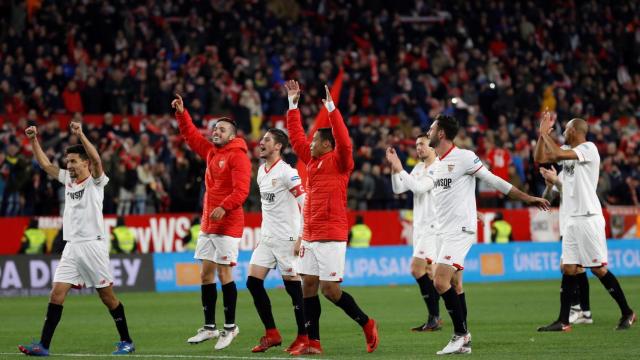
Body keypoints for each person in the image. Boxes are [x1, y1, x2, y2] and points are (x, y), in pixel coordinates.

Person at [425, 114, 550, 355]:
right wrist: (476, 211)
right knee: (454, 284)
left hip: (459, 231)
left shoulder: (464, 157)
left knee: (439, 281)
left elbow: (495, 181)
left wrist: (528, 198)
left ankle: (460, 335)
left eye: (431, 129)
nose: (427, 131)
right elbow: (450, 198)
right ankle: (464, 341)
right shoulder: (437, 165)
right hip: (443, 231)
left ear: (441, 133)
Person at [18, 122, 135, 356]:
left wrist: (81, 133)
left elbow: (98, 160)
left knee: (107, 297)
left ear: (85, 162)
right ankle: (43, 345)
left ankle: (127, 341)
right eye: (67, 161)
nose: (68, 165)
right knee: (56, 293)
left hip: (93, 245)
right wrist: (33, 140)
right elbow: (45, 164)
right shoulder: (68, 180)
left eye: (73, 161)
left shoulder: (96, 181)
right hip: (71, 247)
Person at [285, 80, 379, 355]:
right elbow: (295, 137)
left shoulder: (341, 162)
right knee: (308, 287)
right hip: (311, 233)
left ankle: (366, 322)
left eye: (315, 140)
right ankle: (313, 341)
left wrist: (331, 108)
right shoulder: (312, 161)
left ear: (327, 144)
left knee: (329, 289)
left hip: (332, 233)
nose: (309, 143)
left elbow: (345, 141)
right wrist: (293, 105)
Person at [534, 113, 636, 331]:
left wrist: (545, 134)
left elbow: (557, 151)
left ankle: (627, 312)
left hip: (588, 217)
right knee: (569, 268)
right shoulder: (568, 158)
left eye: (566, 129)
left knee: (598, 269)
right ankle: (563, 321)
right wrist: (541, 136)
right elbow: (542, 157)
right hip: (571, 219)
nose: (562, 132)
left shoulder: (589, 149)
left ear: (575, 131)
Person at [172, 94, 251, 350]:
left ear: (232, 136)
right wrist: (182, 114)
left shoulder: (238, 155)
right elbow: (191, 137)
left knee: (223, 272)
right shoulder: (211, 152)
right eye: (215, 128)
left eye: (222, 129)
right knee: (205, 274)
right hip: (209, 223)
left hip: (227, 223)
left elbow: (242, 191)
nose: (216, 131)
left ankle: (230, 327)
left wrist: (223, 207)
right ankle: (209, 327)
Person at [247, 128, 308, 353]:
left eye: (267, 140)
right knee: (253, 283)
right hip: (267, 239)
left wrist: (302, 235)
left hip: (287, 239)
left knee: (293, 289)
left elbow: (306, 202)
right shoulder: (262, 171)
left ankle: (304, 337)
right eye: (262, 139)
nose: (261, 142)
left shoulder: (287, 172)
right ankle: (272, 333)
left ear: (278, 146)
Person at [386, 135, 443, 332]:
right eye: (416, 144)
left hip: (433, 227)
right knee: (430, 274)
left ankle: (435, 316)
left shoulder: (438, 167)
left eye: (422, 144)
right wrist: (394, 169)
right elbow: (399, 189)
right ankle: (435, 318)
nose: (418, 147)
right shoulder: (419, 168)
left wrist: (400, 166)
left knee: (416, 269)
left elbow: (418, 188)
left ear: (433, 147)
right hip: (420, 227)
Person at [541, 166, 593, 325]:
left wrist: (556, 180)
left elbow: (572, 193)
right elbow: (547, 199)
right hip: (567, 226)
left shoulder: (582, 172)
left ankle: (576, 309)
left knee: (567, 267)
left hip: (579, 222)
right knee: (579, 268)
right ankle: (586, 313)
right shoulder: (564, 173)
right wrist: (550, 185)